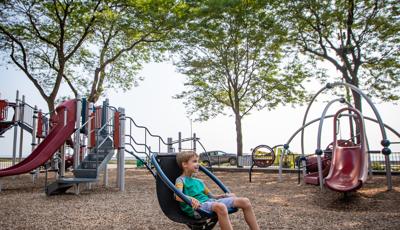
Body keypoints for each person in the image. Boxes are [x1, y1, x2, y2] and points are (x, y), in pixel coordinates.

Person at [175, 151, 260, 230]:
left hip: (209, 202)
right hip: (196, 208)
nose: (198, 164)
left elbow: (211, 196)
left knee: (245, 201)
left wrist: (224, 196)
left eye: (198, 161)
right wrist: (190, 199)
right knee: (220, 206)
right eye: (194, 161)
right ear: (185, 164)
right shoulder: (181, 180)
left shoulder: (199, 181)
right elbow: (177, 196)